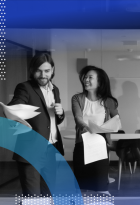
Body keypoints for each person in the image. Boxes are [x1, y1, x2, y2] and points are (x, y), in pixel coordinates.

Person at [8, 53, 65, 196]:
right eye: (38, 71)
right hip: (31, 150)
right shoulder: (24, 88)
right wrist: (15, 117)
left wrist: (60, 113)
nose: (43, 75)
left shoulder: (55, 90)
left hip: (51, 149)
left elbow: (53, 121)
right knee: (32, 197)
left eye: (47, 71)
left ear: (52, 70)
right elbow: (14, 107)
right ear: (32, 70)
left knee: (49, 194)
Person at [72, 66, 119, 195]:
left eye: (90, 77)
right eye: (85, 77)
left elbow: (116, 120)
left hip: (100, 146)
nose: (86, 79)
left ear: (99, 82)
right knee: (81, 188)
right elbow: (78, 118)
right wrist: (86, 127)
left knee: (101, 187)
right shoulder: (77, 98)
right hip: (82, 145)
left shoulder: (108, 101)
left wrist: (108, 127)